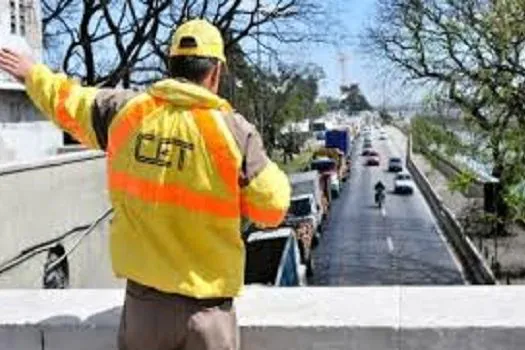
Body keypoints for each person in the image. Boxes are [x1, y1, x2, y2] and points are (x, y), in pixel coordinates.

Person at [0, 19, 290, 350]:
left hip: (144, 310)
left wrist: (30, 72)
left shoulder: (125, 112)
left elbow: (67, 101)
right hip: (208, 312)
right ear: (215, 72)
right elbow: (273, 208)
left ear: (171, 66)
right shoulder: (235, 132)